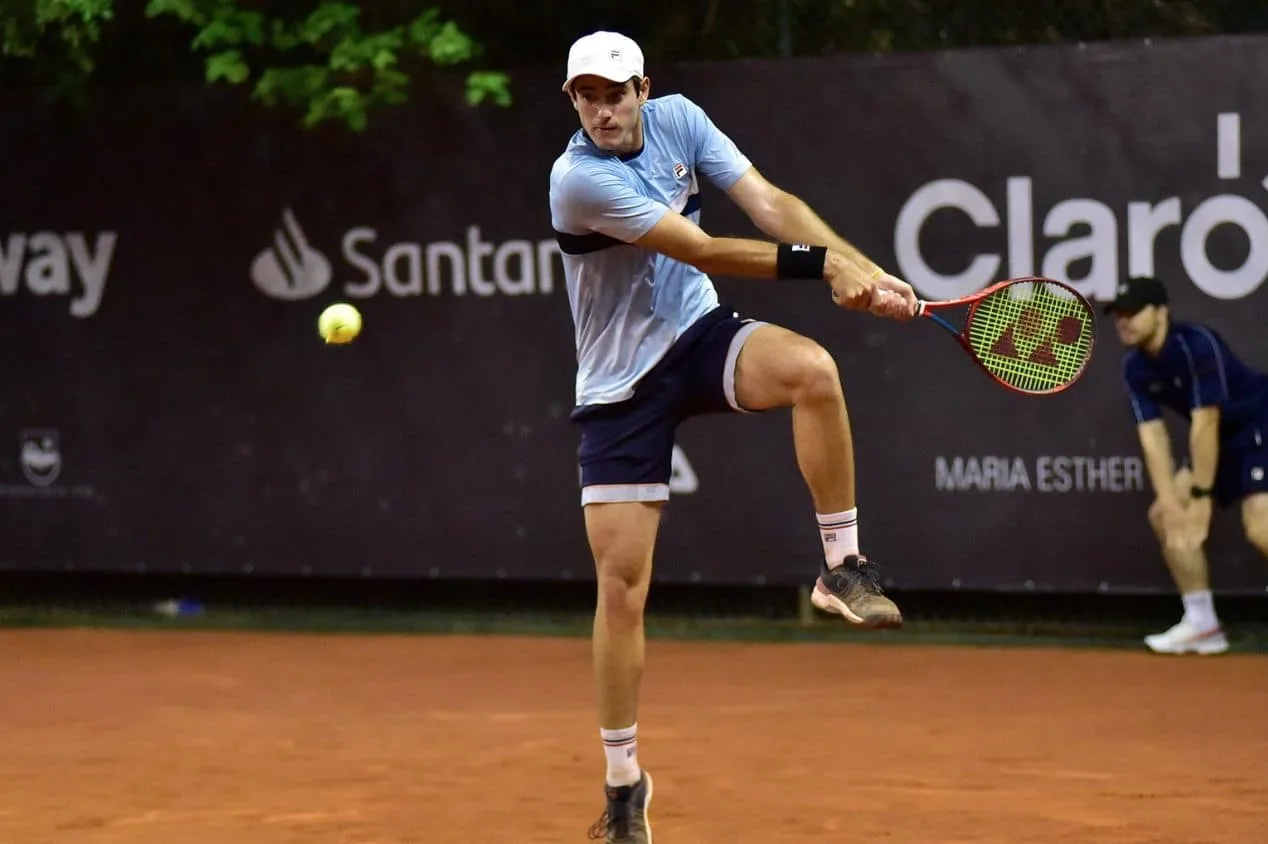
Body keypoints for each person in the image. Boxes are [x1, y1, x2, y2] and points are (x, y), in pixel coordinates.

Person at [548, 30, 917, 843]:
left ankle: (842, 569)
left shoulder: (682, 120)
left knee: (814, 372)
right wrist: (825, 270)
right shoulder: (577, 179)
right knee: (622, 593)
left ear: (645, 87)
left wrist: (864, 267)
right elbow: (705, 245)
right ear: (572, 100)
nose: (604, 110)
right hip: (619, 391)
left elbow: (770, 203)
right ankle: (623, 787)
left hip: (698, 334)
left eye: (616, 92)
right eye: (587, 96)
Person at [1109, 276, 1268, 656]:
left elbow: (1206, 422)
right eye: (1118, 315)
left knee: (1261, 526)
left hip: (1258, 423)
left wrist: (1200, 497)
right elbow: (1153, 437)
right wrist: (1170, 502)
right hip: (1220, 442)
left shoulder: (1196, 344)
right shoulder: (1135, 367)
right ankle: (1202, 623)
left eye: (1133, 313)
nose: (1124, 321)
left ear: (1161, 313)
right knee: (1164, 516)